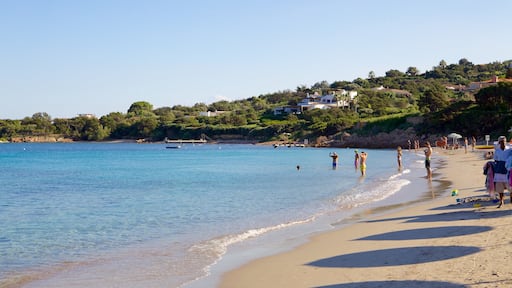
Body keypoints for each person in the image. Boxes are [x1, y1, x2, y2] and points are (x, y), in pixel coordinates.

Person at [494, 136, 511, 208]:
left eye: (504, 141)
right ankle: (501, 201)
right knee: (499, 188)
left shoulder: (510, 150)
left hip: (508, 170)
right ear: (499, 143)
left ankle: (511, 198)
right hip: (499, 170)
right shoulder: (497, 151)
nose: (503, 143)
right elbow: (496, 160)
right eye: (501, 141)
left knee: (510, 186)